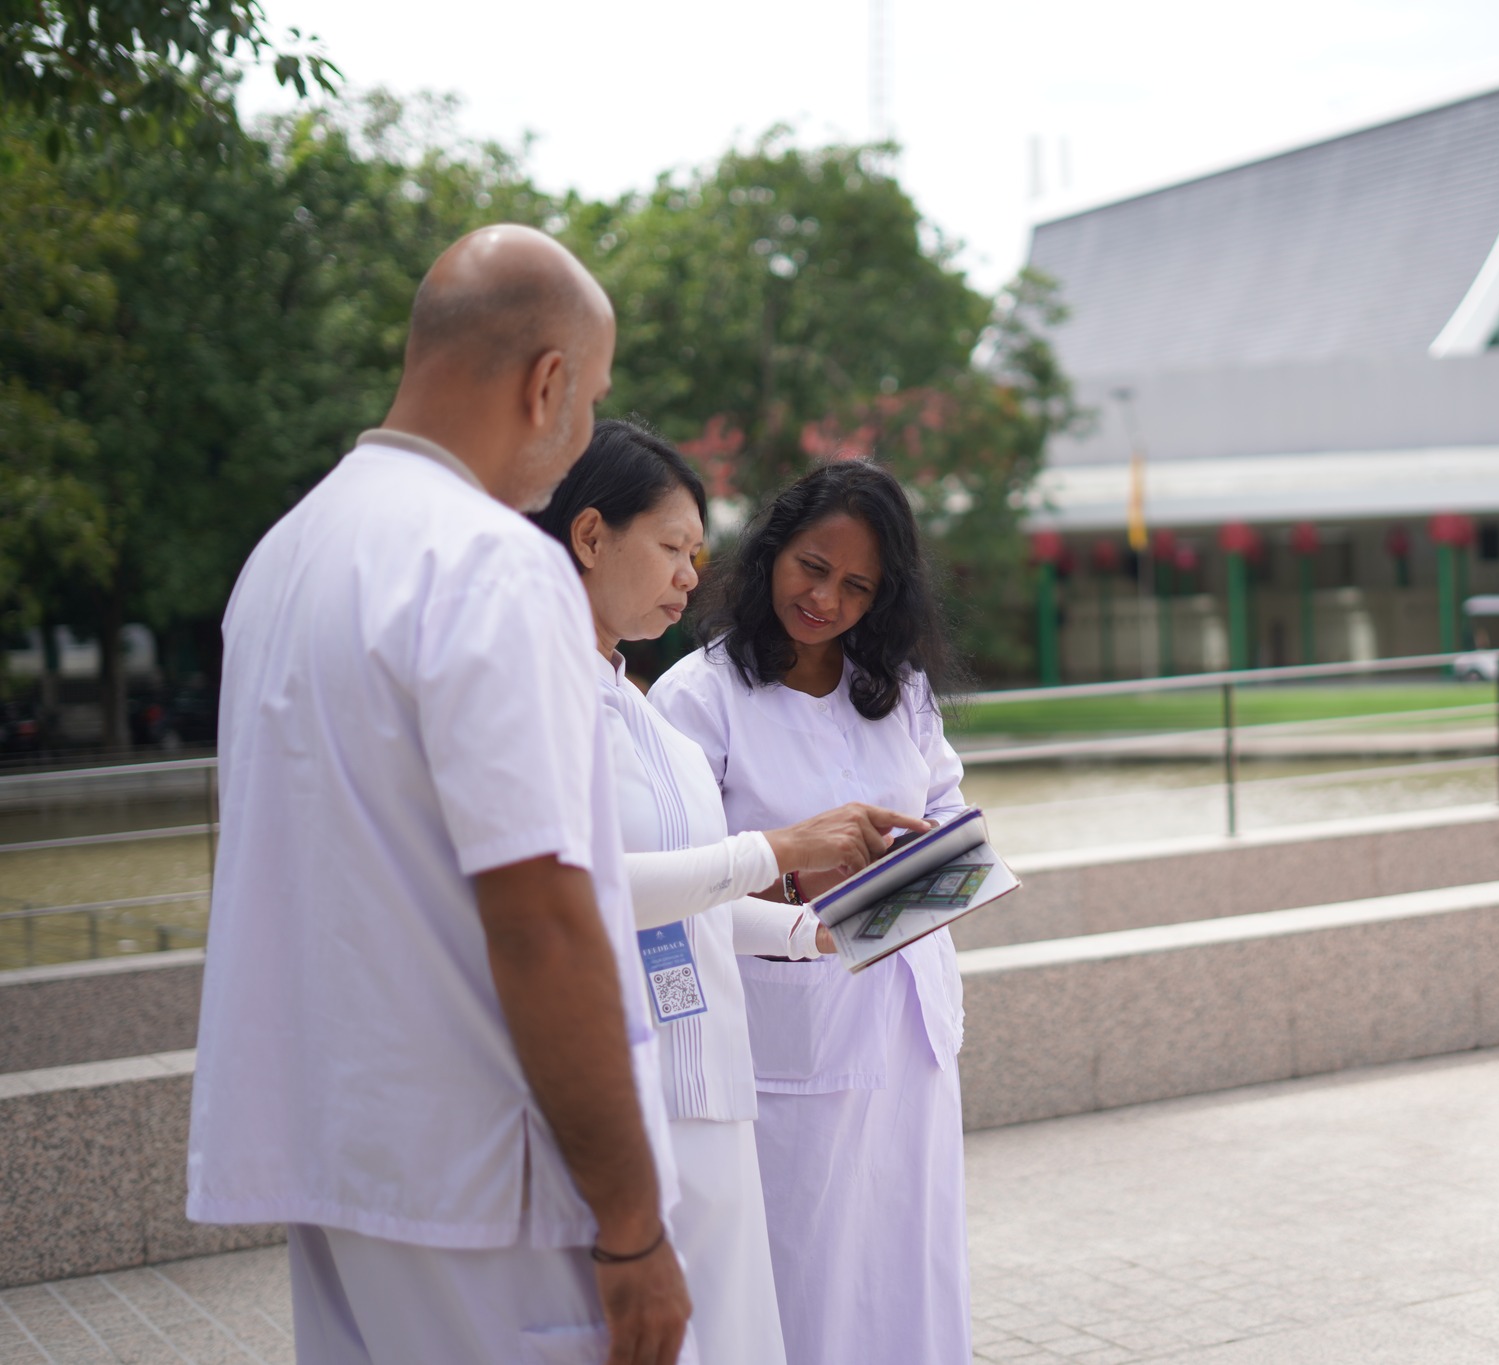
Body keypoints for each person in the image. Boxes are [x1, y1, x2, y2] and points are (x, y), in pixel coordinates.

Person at [188, 226, 693, 1365]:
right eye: (590, 400)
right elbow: (542, 919)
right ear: (547, 384)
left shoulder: (283, 558)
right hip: (495, 1188)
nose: (581, 436)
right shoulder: (490, 565)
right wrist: (632, 1223)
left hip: (343, 1168)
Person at [531, 420, 932, 1364]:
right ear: (590, 536)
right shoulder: (567, 697)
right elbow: (574, 891)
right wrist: (777, 851)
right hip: (643, 1079)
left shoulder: (636, 709)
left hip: (716, 1073)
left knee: (767, 1325)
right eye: (674, 548)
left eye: (695, 554)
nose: (688, 576)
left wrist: (809, 934)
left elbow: (695, 892)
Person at [649, 460, 973, 1365]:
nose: (826, 599)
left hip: (908, 1029)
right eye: (813, 567)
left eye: (857, 586)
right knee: (803, 1270)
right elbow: (677, 877)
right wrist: (798, 882)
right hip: (785, 1034)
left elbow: (950, 822)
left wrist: (908, 885)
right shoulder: (698, 697)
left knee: (909, 1263)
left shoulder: (898, 690)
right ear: (772, 551)